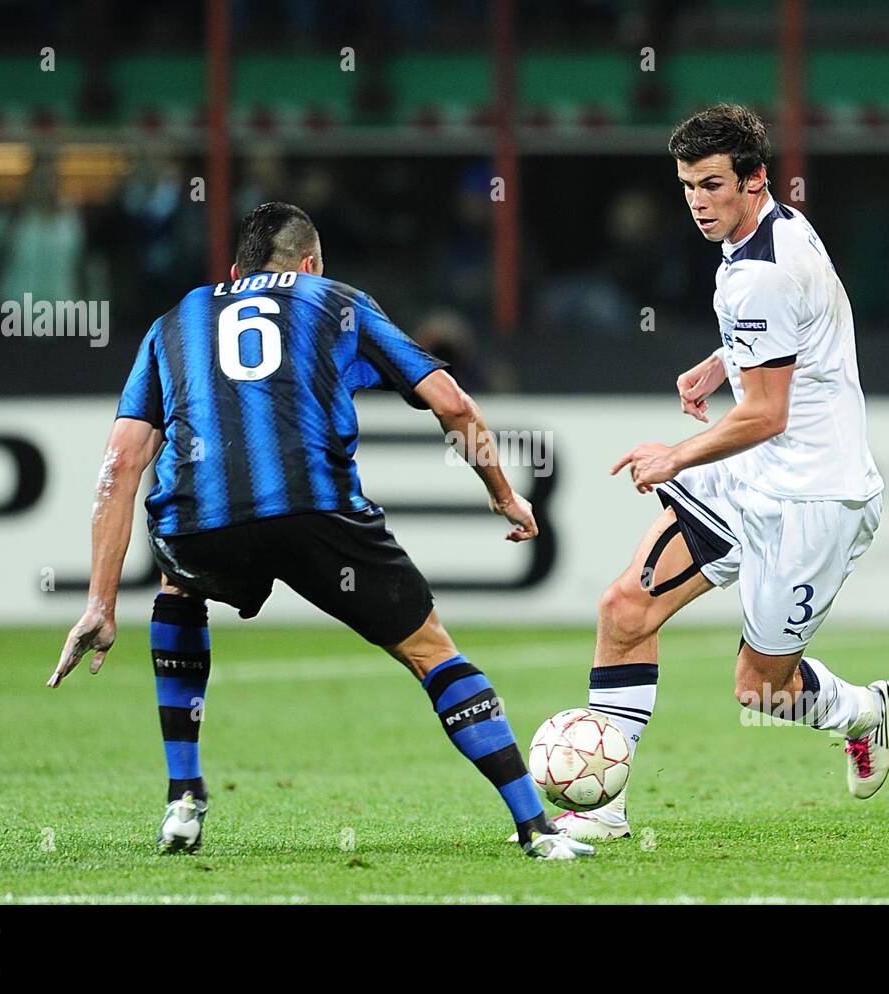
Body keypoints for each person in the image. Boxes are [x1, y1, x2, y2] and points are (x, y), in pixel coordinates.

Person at [48, 201, 593, 861]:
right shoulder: (334, 299)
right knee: (431, 651)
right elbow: (452, 403)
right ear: (309, 266)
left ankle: (183, 795)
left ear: (232, 271)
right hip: (316, 515)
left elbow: (120, 464)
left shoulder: (175, 321)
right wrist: (504, 495)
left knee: (179, 580)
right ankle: (537, 828)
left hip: (201, 523)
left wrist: (100, 604)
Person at [543, 104, 889, 843]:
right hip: (754, 474)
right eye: (686, 186)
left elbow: (766, 413)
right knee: (623, 609)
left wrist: (673, 455)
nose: (697, 202)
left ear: (755, 178)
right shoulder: (768, 230)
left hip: (813, 496)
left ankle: (864, 710)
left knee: (760, 691)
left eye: (711, 185)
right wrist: (723, 359)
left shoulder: (763, 269)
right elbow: (796, 331)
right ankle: (601, 809)